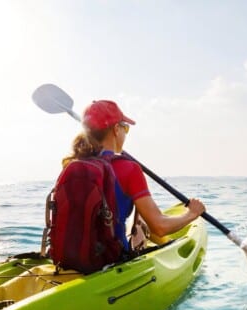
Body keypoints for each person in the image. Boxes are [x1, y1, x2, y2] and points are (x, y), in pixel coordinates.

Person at [64, 99, 205, 253]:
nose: (125, 133)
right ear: (116, 129)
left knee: (140, 217)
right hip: (110, 260)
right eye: (126, 128)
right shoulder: (129, 168)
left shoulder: (72, 165)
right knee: (145, 220)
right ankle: (167, 245)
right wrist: (192, 214)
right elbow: (159, 227)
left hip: (69, 258)